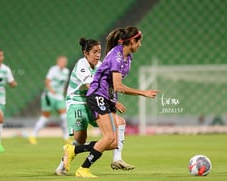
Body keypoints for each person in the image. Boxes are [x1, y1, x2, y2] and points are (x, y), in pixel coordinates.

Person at [63, 26, 159, 178]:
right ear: (132, 41)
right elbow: (118, 86)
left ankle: (74, 150)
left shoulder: (128, 58)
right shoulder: (116, 57)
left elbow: (112, 85)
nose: (140, 44)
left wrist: (113, 102)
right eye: (139, 41)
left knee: (113, 142)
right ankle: (83, 169)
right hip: (96, 96)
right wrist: (143, 92)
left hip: (105, 97)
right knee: (107, 138)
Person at [54, 38, 134, 175]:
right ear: (85, 53)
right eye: (94, 52)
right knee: (80, 140)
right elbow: (92, 86)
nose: (97, 55)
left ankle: (117, 158)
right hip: (77, 103)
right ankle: (62, 164)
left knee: (118, 127)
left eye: (99, 52)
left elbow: (107, 87)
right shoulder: (81, 65)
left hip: (94, 102)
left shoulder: (100, 66)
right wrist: (112, 102)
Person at [28, 56, 69, 145]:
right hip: (49, 95)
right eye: (61, 61)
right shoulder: (53, 69)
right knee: (45, 117)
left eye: (64, 62)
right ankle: (33, 135)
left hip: (59, 96)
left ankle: (66, 137)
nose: (63, 63)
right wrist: (51, 90)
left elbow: (63, 84)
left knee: (64, 116)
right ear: (57, 62)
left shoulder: (66, 71)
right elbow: (47, 81)